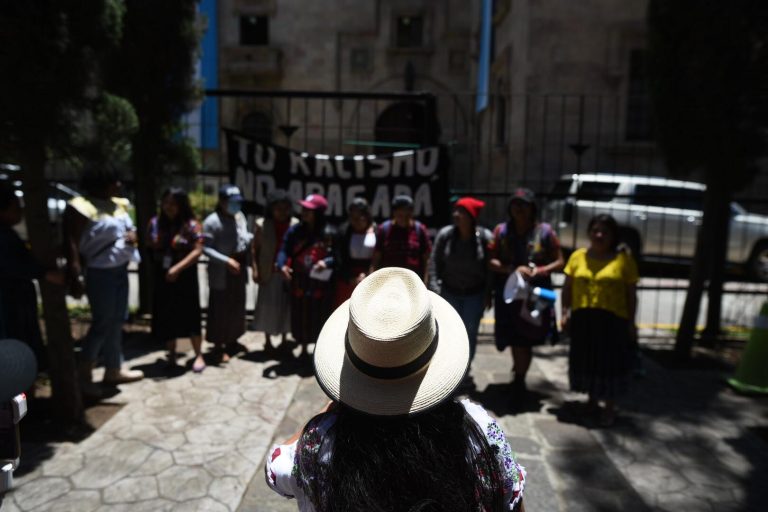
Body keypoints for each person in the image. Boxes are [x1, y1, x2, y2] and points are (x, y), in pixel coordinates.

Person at [264, 267, 526, 512]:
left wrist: (330, 407)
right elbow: (514, 502)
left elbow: (275, 468)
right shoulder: (479, 432)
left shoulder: (319, 444)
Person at [64, 166, 144, 393]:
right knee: (102, 323)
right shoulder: (81, 207)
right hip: (100, 274)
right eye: (114, 181)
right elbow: (71, 242)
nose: (118, 185)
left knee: (117, 320)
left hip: (120, 270)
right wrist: (75, 273)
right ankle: (84, 374)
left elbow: (130, 229)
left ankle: (113, 369)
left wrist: (133, 237)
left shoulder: (119, 204)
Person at [561, 213, 638, 427]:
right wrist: (565, 312)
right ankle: (592, 403)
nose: (599, 235)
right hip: (584, 319)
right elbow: (567, 288)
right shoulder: (577, 257)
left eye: (605, 231)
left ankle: (609, 407)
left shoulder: (623, 260)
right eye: (595, 230)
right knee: (588, 361)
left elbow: (631, 294)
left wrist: (631, 323)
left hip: (613, 322)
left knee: (610, 364)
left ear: (613, 235)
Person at [488, 188, 564, 401]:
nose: (519, 209)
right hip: (509, 294)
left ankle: (519, 380)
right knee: (513, 336)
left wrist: (540, 271)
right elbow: (491, 260)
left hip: (535, 295)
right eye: (515, 204)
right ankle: (518, 375)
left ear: (532, 208)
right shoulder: (500, 231)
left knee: (525, 338)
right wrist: (512, 268)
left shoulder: (546, 232)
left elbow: (560, 261)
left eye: (524, 205)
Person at [0, 181, 65, 370]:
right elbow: (11, 265)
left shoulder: (8, 233)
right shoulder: (3, 236)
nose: (21, 211)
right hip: (9, 305)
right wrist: (43, 273)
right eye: (16, 206)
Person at [146, 187, 205, 373]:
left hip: (185, 275)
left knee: (191, 314)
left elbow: (197, 250)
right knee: (166, 314)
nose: (169, 207)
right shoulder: (155, 223)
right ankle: (171, 354)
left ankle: (198, 354)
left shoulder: (191, 225)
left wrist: (178, 267)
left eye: (173, 203)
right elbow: (149, 244)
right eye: (166, 203)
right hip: (163, 275)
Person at [431, 196, 492, 364]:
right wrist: (435, 289)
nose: (456, 215)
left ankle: (464, 369)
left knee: (469, 333)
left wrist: (488, 293)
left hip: (474, 294)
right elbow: (434, 262)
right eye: (456, 210)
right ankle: (448, 368)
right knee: (447, 332)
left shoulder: (484, 237)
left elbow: (490, 269)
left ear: (471, 216)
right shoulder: (445, 235)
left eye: (462, 212)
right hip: (449, 292)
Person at [277, 194, 333, 361]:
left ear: (319, 213)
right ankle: (302, 348)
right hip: (300, 280)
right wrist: (282, 265)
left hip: (320, 282)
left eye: (309, 210)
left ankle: (318, 350)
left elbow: (338, 256)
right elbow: (283, 250)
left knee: (319, 314)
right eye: (304, 209)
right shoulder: (295, 231)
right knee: (300, 313)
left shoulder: (329, 232)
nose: (304, 213)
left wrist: (327, 262)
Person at [203, 184, 252, 364]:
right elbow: (205, 249)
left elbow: (243, 237)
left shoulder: (240, 217)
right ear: (222, 202)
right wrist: (226, 261)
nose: (235, 206)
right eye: (231, 202)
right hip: (222, 271)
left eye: (237, 202)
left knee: (237, 304)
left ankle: (232, 341)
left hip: (238, 267)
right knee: (219, 308)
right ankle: (218, 346)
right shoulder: (212, 221)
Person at [251, 189, 298, 355]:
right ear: (271, 208)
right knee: (267, 307)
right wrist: (255, 270)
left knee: (286, 308)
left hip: (288, 273)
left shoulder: (295, 224)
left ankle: (285, 340)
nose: (282, 212)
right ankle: (268, 341)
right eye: (278, 208)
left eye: (285, 208)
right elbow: (254, 250)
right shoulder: (262, 224)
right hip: (268, 273)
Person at [370, 194, 431, 285]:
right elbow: (376, 259)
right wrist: (373, 283)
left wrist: (425, 284)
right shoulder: (384, 229)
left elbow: (426, 260)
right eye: (400, 214)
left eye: (407, 214)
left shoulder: (420, 230)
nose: (404, 217)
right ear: (394, 213)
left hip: (413, 283)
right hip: (389, 282)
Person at [329, 197, 376, 308]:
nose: (356, 221)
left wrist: (368, 275)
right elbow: (338, 258)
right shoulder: (343, 232)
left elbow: (379, 256)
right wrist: (350, 278)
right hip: (347, 281)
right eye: (353, 217)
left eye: (360, 217)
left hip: (370, 279)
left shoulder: (377, 231)